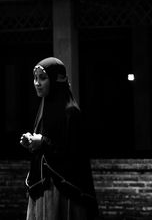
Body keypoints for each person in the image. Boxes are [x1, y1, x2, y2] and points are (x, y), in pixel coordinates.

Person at [20, 57, 98, 220]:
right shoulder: (43, 109)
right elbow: (47, 141)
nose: (37, 83)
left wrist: (42, 142)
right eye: (35, 78)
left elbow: (73, 154)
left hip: (62, 191)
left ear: (56, 80)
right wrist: (32, 141)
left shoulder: (71, 112)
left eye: (43, 78)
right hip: (42, 186)